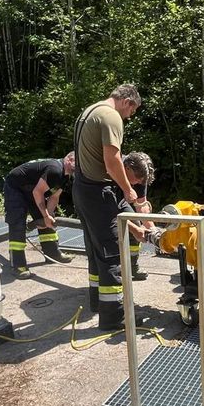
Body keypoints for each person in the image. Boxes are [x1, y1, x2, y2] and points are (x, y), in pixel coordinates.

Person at [72, 84, 148, 330]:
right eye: (132, 111)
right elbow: (112, 159)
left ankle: (97, 302)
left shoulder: (90, 111)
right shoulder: (111, 116)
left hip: (82, 189)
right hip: (97, 192)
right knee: (111, 255)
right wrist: (127, 189)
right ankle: (114, 316)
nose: (130, 116)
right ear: (127, 101)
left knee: (96, 252)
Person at [3, 152, 76, 279]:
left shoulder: (65, 176)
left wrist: (48, 216)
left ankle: (53, 253)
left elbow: (54, 197)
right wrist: (45, 216)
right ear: (69, 160)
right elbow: (38, 192)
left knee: (47, 218)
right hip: (15, 187)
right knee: (18, 223)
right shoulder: (55, 169)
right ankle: (18, 264)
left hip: (31, 189)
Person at [124, 151, 156, 281]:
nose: (137, 183)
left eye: (141, 180)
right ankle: (112, 270)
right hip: (98, 202)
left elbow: (141, 205)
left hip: (121, 202)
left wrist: (153, 230)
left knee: (136, 226)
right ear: (127, 168)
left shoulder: (140, 177)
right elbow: (108, 212)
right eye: (136, 178)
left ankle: (132, 266)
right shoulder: (113, 170)